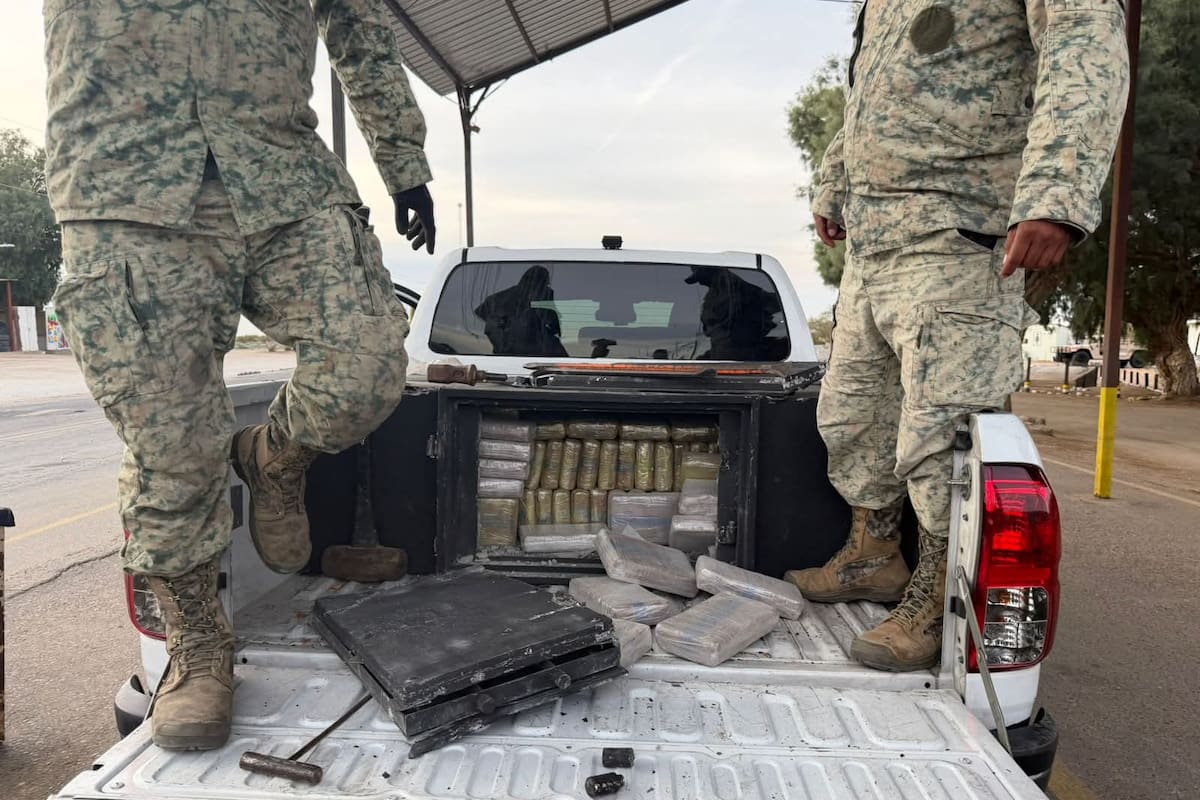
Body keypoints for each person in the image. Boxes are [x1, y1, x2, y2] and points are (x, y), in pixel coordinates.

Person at [43, 0, 436, 750]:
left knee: (366, 367)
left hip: (282, 173)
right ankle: (198, 650)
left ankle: (274, 457)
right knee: (173, 449)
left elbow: (360, 27)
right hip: (122, 184)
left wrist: (403, 164)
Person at [785, 1, 1129, 671]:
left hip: (961, 235)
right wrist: (836, 182)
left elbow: (1084, 46)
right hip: (877, 247)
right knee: (855, 415)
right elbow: (873, 94)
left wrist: (1055, 196)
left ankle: (938, 598)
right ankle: (873, 555)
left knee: (943, 434)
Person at [474, 266, 568, 357]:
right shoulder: (541, 296)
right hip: (518, 351)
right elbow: (552, 323)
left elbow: (553, 324)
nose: (546, 287)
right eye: (545, 284)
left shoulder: (541, 297)